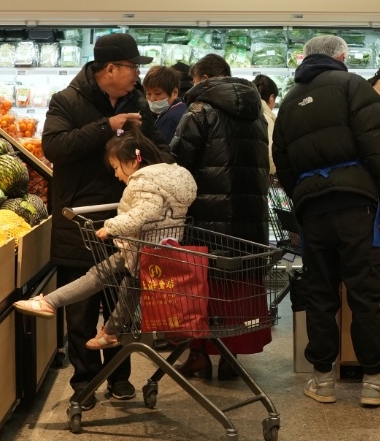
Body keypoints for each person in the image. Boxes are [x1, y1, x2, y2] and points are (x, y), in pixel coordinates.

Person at [272, 34, 380, 408]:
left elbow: (282, 162)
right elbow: (379, 143)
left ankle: (323, 380)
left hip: (313, 208)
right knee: (364, 291)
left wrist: (303, 197)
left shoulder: (290, 100)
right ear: (341, 57)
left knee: (320, 293)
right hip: (356, 204)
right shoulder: (352, 86)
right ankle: (374, 381)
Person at [42, 32, 169, 408]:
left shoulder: (138, 104)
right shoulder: (66, 100)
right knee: (80, 313)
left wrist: (139, 145)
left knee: (121, 306)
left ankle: (119, 378)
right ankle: (85, 380)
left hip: (127, 221)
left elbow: (162, 152)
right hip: (78, 220)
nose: (137, 75)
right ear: (110, 68)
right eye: (132, 67)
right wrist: (107, 126)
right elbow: (55, 147)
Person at [15, 127, 197, 348]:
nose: (116, 174)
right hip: (160, 249)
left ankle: (49, 302)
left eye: (116, 167)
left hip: (140, 248)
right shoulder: (172, 178)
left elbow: (144, 213)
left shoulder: (143, 182)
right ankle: (111, 332)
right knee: (130, 288)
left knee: (96, 275)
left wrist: (110, 227)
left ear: (132, 162)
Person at [171, 52, 269, 380]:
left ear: (201, 79)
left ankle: (199, 355)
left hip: (206, 217)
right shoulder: (257, 114)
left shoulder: (199, 111)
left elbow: (180, 162)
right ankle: (231, 357)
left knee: (202, 286)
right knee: (237, 287)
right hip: (249, 218)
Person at [142, 65, 187, 141]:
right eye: (148, 94)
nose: (152, 99)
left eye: (157, 94)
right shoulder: (181, 107)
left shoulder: (171, 119)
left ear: (174, 93)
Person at [253, 73, 278, 175]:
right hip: (261, 176)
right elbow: (270, 157)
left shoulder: (247, 113)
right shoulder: (266, 118)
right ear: (271, 97)